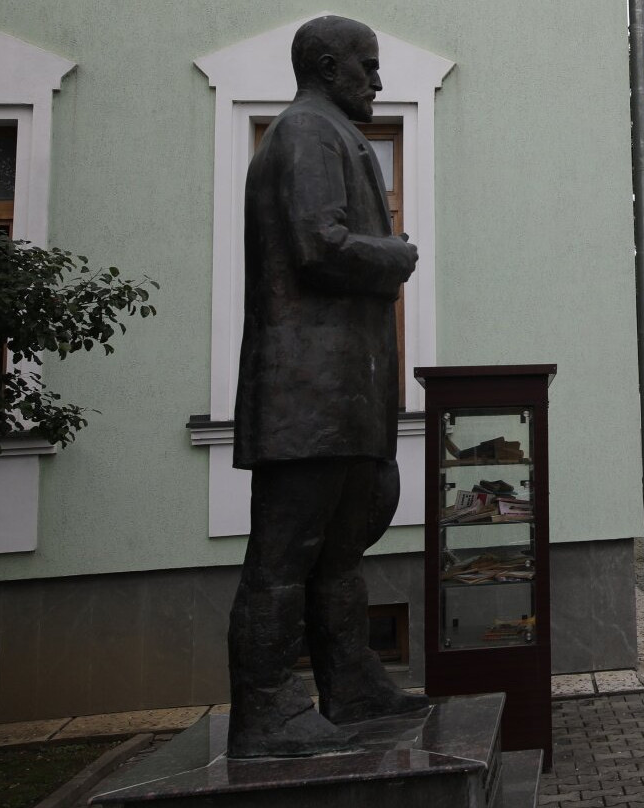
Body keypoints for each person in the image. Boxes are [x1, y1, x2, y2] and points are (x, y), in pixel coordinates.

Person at [228, 14, 426, 759]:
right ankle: (267, 712)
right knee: (282, 556)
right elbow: (320, 246)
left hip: (344, 387)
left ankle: (351, 685)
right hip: (304, 391)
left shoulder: (335, 134)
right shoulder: (305, 132)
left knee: (341, 548)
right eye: (366, 65)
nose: (376, 79)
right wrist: (393, 255)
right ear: (323, 64)